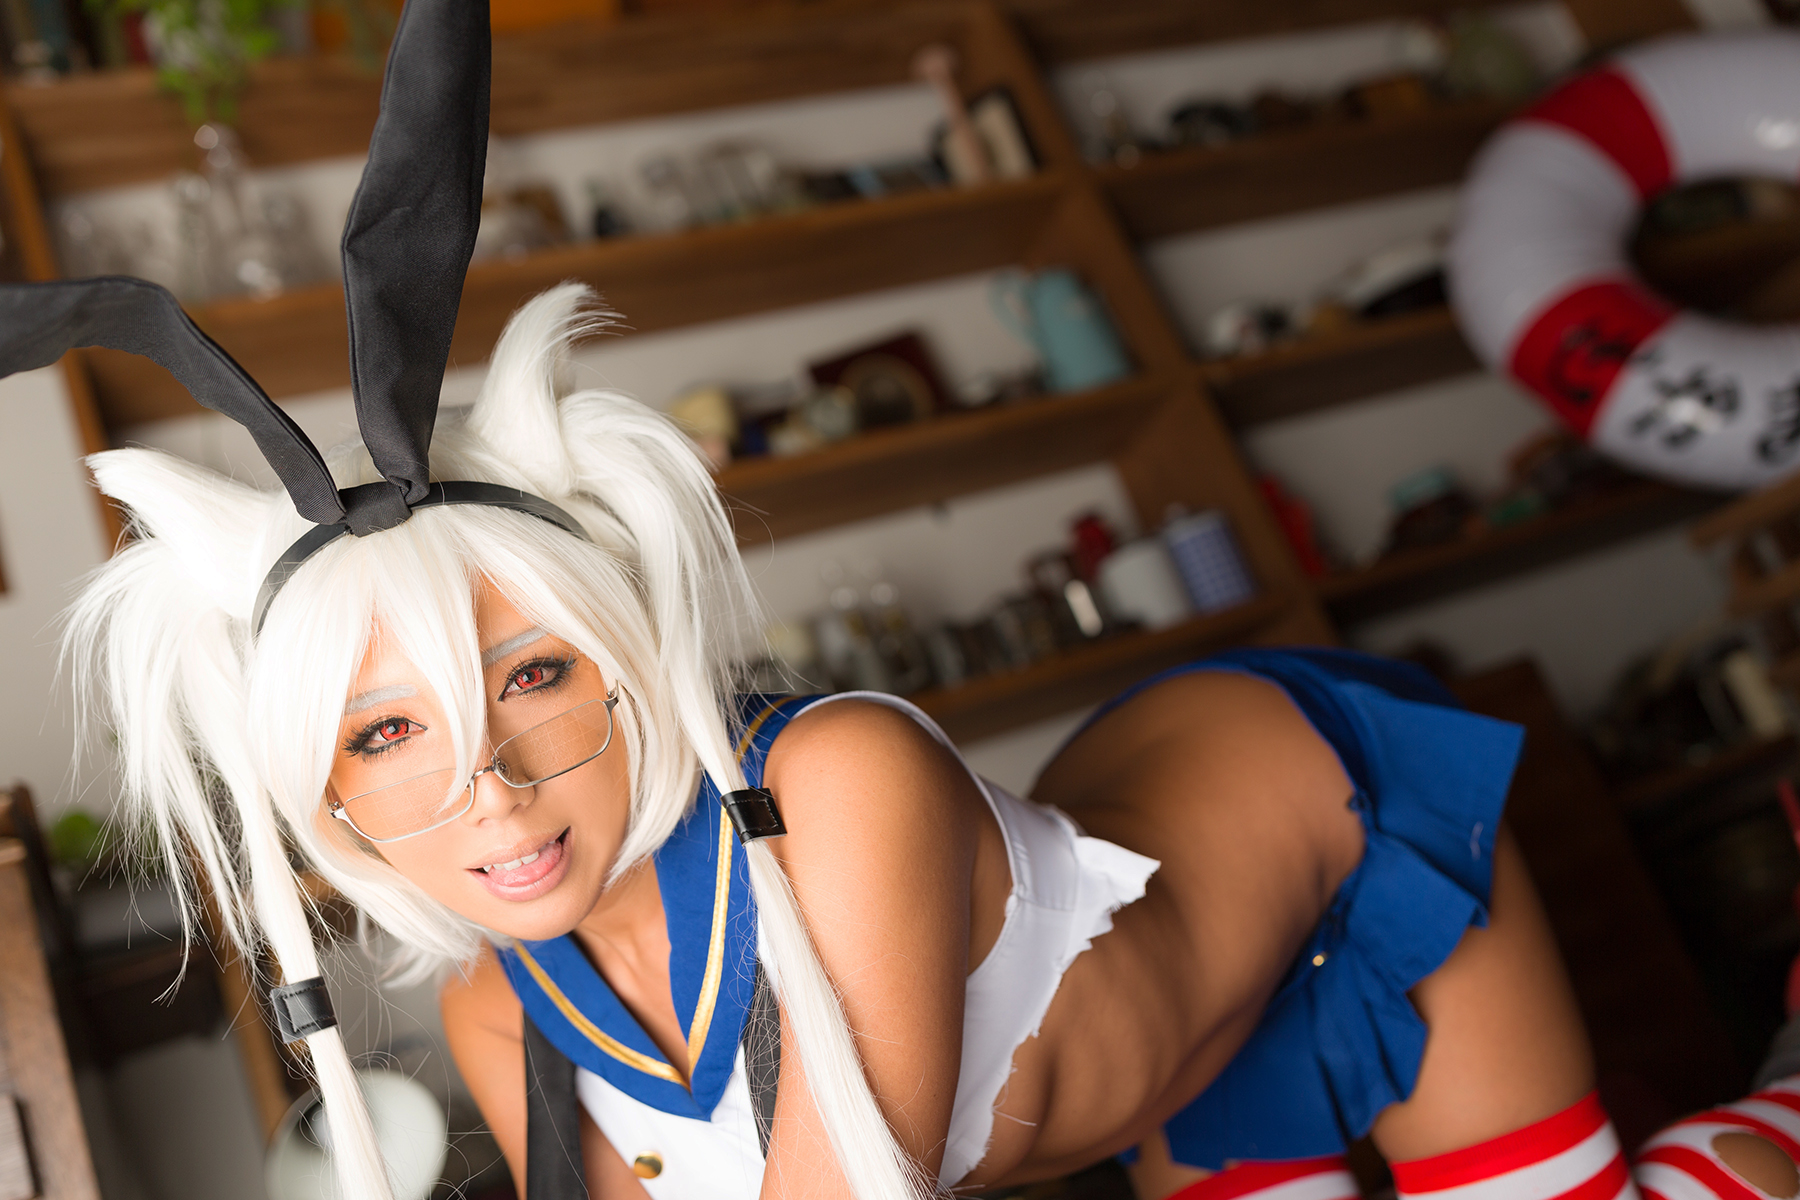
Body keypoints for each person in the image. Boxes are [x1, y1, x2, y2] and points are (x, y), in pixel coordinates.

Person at [28, 3, 1800, 1200]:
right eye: (385, 734)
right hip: (1185, 1065)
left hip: (1319, 831)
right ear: (321, 795)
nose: (484, 786)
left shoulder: (834, 787)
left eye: (535, 677)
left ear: (629, 657)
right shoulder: (504, 1018)